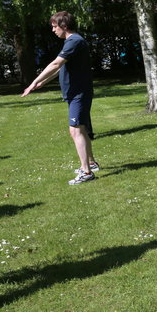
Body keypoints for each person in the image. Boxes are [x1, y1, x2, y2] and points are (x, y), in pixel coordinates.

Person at [22, 11, 99, 185]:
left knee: (75, 130)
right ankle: (91, 164)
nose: (53, 30)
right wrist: (42, 83)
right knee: (82, 129)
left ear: (64, 26)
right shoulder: (72, 42)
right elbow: (59, 69)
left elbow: (56, 63)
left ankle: (86, 172)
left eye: (54, 26)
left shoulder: (74, 41)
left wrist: (34, 82)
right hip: (76, 93)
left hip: (79, 93)